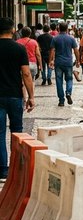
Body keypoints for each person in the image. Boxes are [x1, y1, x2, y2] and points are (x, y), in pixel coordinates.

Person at [0, 17, 35, 180]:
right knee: (17, 131)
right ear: (13, 30)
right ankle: (16, 168)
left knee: (0, 133)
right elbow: (26, 74)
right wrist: (31, 96)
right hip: (15, 95)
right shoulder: (19, 48)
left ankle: (3, 170)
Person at [50, 22, 79, 107]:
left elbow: (52, 50)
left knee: (59, 81)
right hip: (68, 63)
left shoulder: (55, 38)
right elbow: (76, 50)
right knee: (69, 79)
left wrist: (50, 60)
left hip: (58, 63)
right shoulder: (71, 38)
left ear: (58, 28)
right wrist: (78, 60)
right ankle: (68, 93)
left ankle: (61, 100)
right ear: (67, 29)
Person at [16, 27, 42, 103]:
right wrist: (40, 65)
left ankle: (24, 98)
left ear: (21, 33)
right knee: (32, 81)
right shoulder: (34, 42)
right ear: (30, 33)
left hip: (21, 64)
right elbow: (38, 54)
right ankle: (31, 97)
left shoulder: (17, 42)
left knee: (23, 82)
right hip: (33, 63)